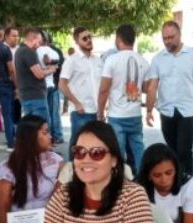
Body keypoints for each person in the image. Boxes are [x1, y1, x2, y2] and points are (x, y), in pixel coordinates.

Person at [43, 121, 153, 223]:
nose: (86, 160)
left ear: (114, 160)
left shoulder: (133, 196)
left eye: (97, 153)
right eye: (79, 152)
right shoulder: (64, 195)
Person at [147, 21, 193, 178]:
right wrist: (148, 110)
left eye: (171, 37)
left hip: (187, 111)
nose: (167, 41)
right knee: (172, 150)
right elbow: (152, 86)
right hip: (166, 111)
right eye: (164, 38)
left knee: (184, 150)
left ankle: (188, 182)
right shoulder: (158, 58)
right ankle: (175, 182)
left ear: (179, 35)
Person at [0, 114, 65, 223]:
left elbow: (62, 199)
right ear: (30, 137)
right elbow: (2, 207)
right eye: (45, 133)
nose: (50, 137)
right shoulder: (7, 169)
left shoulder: (56, 161)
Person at [98, 24, 149, 174]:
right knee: (138, 149)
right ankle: (143, 181)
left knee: (118, 153)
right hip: (135, 114)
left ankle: (119, 183)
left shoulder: (111, 60)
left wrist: (100, 113)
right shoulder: (143, 61)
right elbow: (146, 88)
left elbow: (103, 90)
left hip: (117, 116)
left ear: (118, 39)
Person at [59, 26, 103, 159]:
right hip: (81, 112)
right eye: (85, 38)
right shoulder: (71, 61)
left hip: (97, 111)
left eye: (90, 37)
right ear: (77, 42)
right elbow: (61, 84)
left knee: (95, 147)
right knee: (78, 147)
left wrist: (103, 108)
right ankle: (72, 174)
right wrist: (76, 103)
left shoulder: (98, 60)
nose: (89, 40)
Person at [14, 28, 57, 124]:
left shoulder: (19, 51)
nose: (40, 46)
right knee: (42, 126)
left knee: (31, 128)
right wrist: (51, 70)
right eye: (40, 42)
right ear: (34, 38)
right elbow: (39, 74)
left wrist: (45, 70)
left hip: (26, 96)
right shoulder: (29, 52)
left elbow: (32, 71)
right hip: (36, 96)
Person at [40, 32, 66, 144]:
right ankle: (58, 135)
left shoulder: (37, 51)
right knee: (54, 112)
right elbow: (61, 66)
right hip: (54, 84)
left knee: (46, 113)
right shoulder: (56, 51)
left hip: (42, 85)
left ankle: (49, 137)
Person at [5, 27, 22, 125]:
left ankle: (16, 128)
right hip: (7, 82)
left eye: (17, 35)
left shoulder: (20, 49)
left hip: (19, 81)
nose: (16, 38)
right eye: (13, 35)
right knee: (8, 108)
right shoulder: (3, 48)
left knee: (17, 107)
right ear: (6, 36)